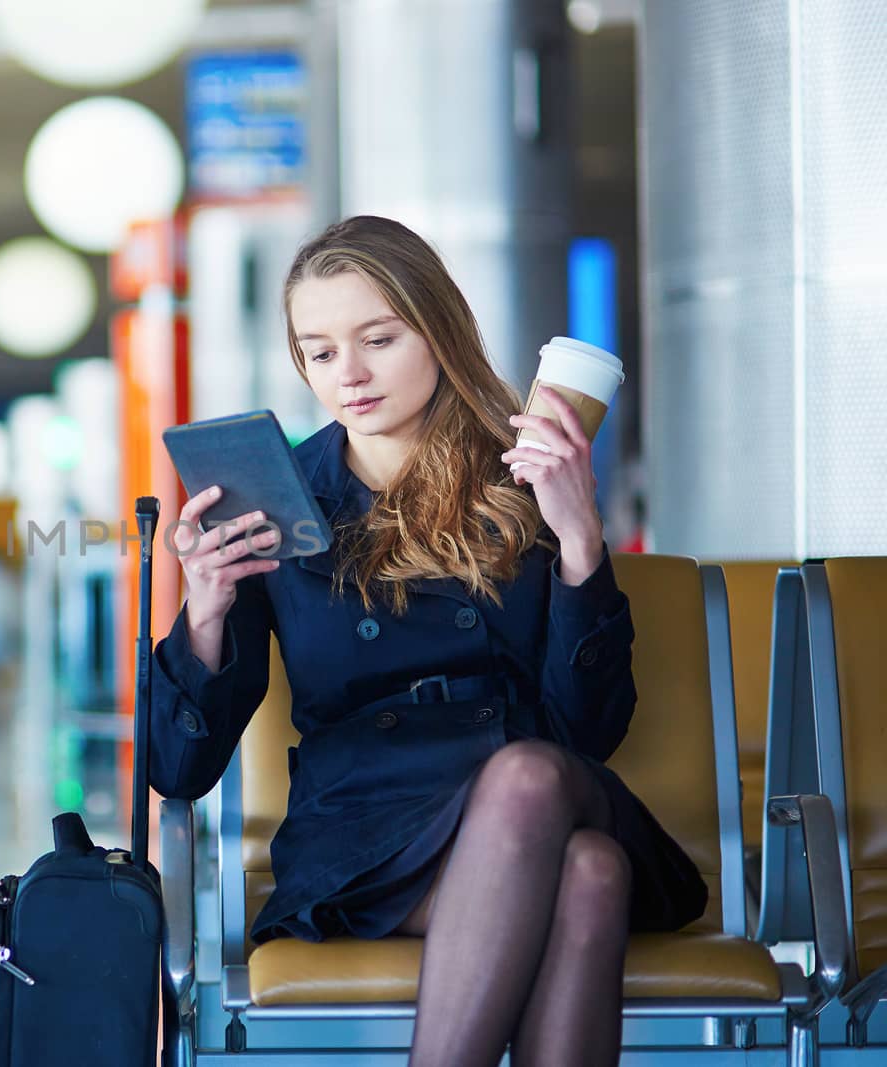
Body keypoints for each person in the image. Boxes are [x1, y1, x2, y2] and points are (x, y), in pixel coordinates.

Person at [149, 216, 706, 1067]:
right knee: (590, 877)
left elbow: (589, 731)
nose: (352, 375)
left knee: (527, 779)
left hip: (537, 788)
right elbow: (177, 770)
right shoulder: (278, 497)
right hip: (364, 834)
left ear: (439, 330)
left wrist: (583, 541)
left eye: (379, 338)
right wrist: (206, 611)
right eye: (321, 351)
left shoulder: (524, 476)